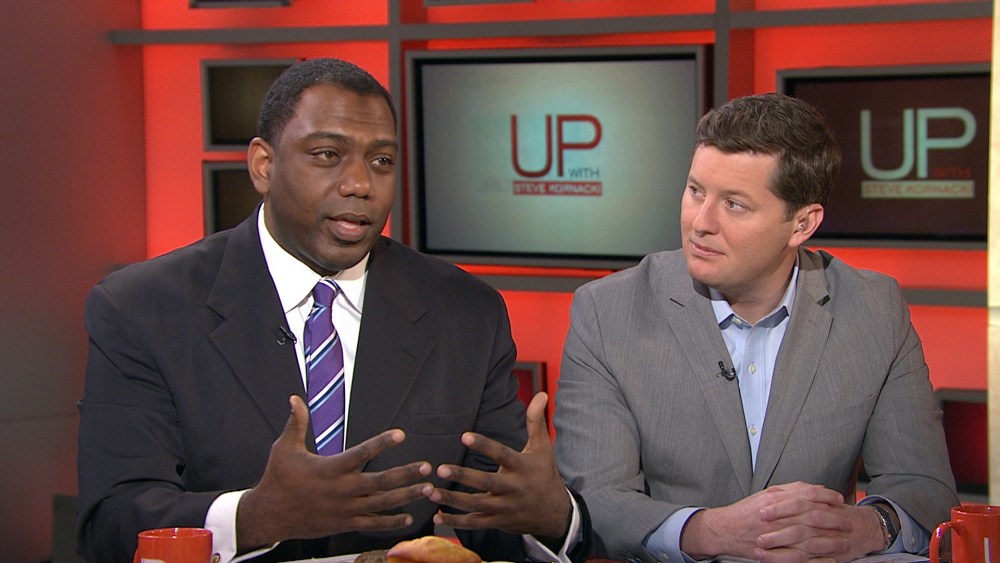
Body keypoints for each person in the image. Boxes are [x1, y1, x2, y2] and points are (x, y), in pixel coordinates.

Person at [77, 57, 589, 563]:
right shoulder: (143, 308)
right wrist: (254, 517)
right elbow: (113, 523)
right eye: (327, 154)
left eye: (381, 161)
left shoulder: (465, 312)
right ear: (264, 166)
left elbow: (500, 519)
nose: (360, 184)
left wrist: (551, 520)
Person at [552, 92, 958, 563]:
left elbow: (926, 491)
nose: (700, 223)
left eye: (734, 205)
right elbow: (593, 501)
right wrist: (708, 531)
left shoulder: (873, 310)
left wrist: (869, 526)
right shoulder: (608, 312)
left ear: (802, 224)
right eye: (696, 191)